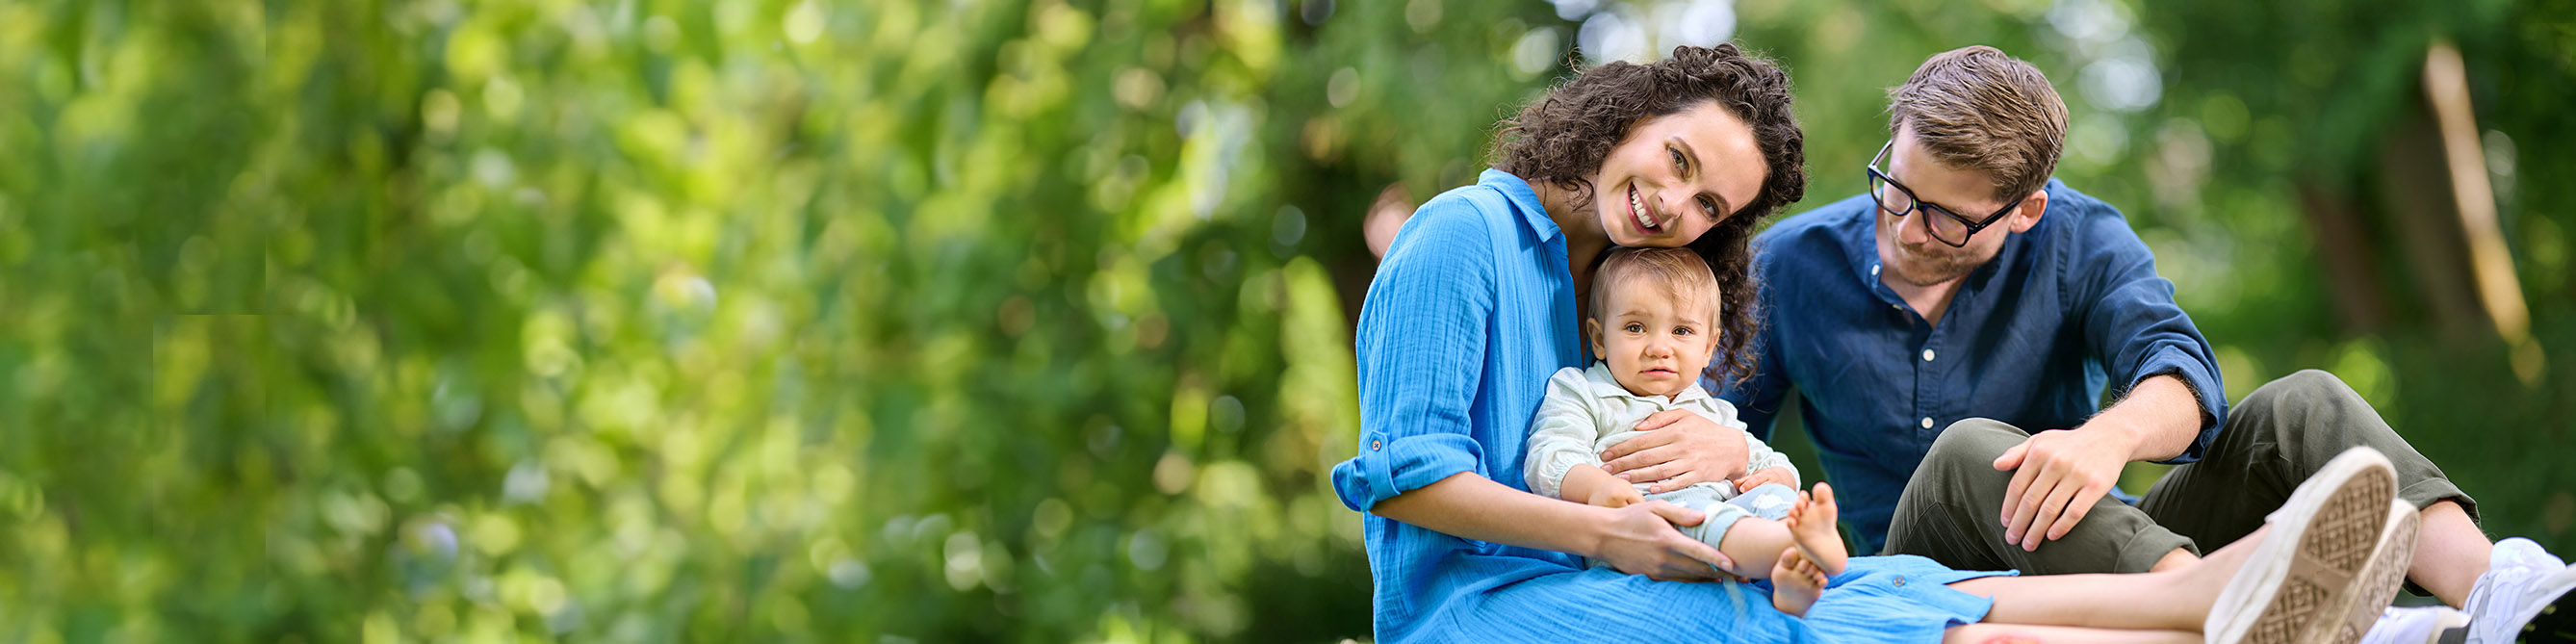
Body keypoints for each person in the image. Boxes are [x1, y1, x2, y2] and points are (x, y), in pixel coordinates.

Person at [1330, 41, 2418, 643]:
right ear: (1622, 115)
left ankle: (2211, 601)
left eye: (1708, 205)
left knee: (1849, 587)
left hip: (1585, 568)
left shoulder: (1598, 284)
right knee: (1797, 621)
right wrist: (1603, 532)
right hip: (1473, 601)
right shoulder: (1464, 236)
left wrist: (1742, 479)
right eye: (1671, 160)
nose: (1674, 205)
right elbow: (1403, 477)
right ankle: (2201, 604)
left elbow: (1699, 439)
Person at [1643, 45, 2576, 642]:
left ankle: (2500, 596)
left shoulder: (2082, 238)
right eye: (1897, 189)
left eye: (1949, 219)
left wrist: (2108, 438)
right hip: (1916, 561)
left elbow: (2180, 377)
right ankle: (2235, 605)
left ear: (2026, 211)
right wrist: (1734, 454)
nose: (1907, 229)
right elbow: (1710, 423)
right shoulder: (1790, 264)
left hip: (2095, 540)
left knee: (2307, 401)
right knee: (1975, 445)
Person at [1522, 245, 1842, 615]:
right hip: (1649, 529)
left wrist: (1776, 477)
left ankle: (1791, 578)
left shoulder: (1712, 409)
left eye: (1681, 331)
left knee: (1773, 497)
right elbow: (1550, 454)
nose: (1659, 348)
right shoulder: (1584, 391)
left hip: (1726, 518)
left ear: (1708, 348)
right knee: (1696, 515)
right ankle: (1790, 548)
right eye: (1635, 327)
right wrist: (1596, 486)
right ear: (1598, 338)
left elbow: (1763, 459)